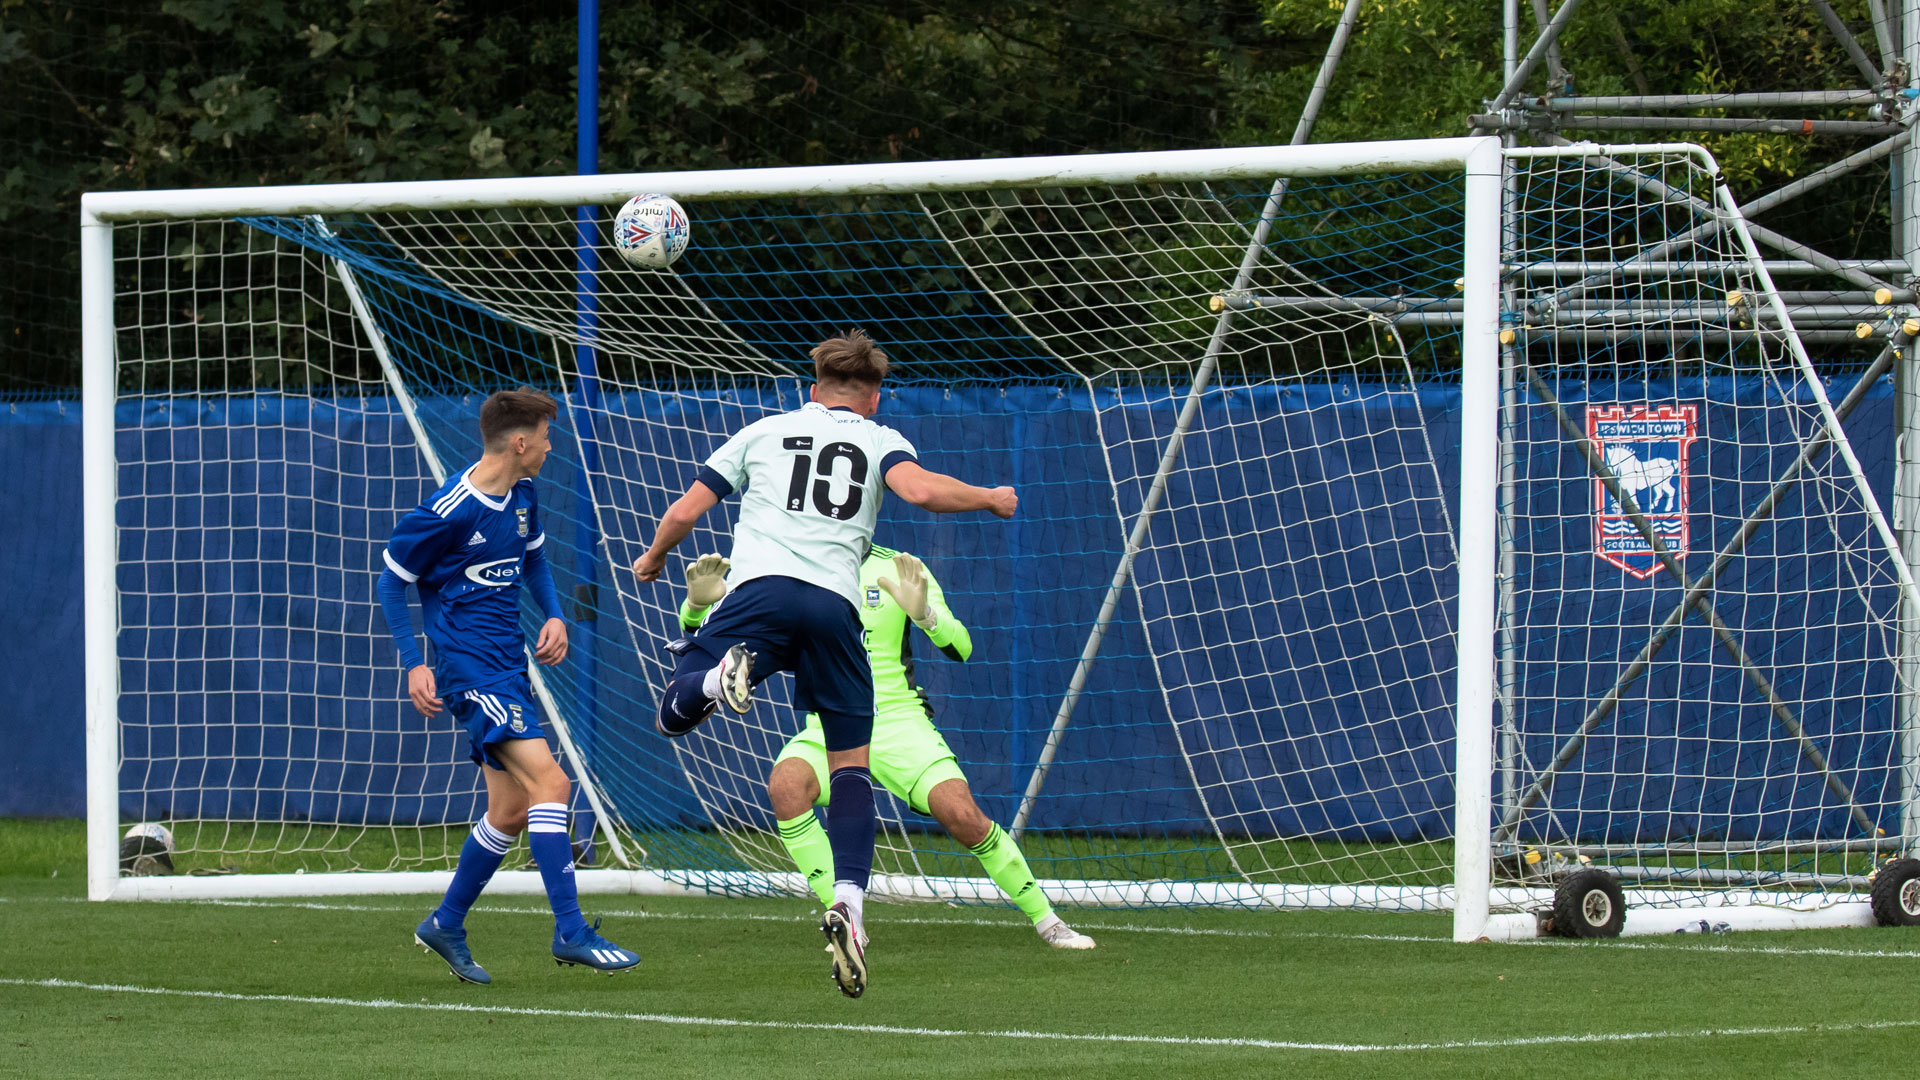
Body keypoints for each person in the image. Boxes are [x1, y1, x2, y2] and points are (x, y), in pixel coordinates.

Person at [632, 329, 1017, 998]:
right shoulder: (880, 440)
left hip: (761, 596)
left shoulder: (764, 431)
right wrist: (988, 496)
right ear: (872, 398)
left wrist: (656, 556)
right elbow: (922, 492)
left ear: (813, 390)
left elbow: (685, 510)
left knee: (673, 712)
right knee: (851, 768)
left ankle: (719, 681)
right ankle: (850, 906)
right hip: (836, 612)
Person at [677, 548, 1095, 950]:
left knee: (964, 816)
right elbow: (708, 642)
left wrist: (926, 615)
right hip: (829, 722)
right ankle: (845, 922)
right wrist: (696, 608)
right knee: (787, 785)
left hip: (898, 721)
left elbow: (961, 646)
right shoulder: (790, 571)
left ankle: (1049, 922)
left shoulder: (897, 567)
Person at [378, 387, 638, 984]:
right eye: (546, 437)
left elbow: (535, 560)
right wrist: (415, 662)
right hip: (469, 671)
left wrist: (553, 615)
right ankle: (571, 931)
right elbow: (393, 582)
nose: (551, 446)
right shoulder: (445, 512)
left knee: (513, 807)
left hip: (508, 667)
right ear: (520, 443)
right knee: (553, 782)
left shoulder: (523, 494)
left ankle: (446, 922)